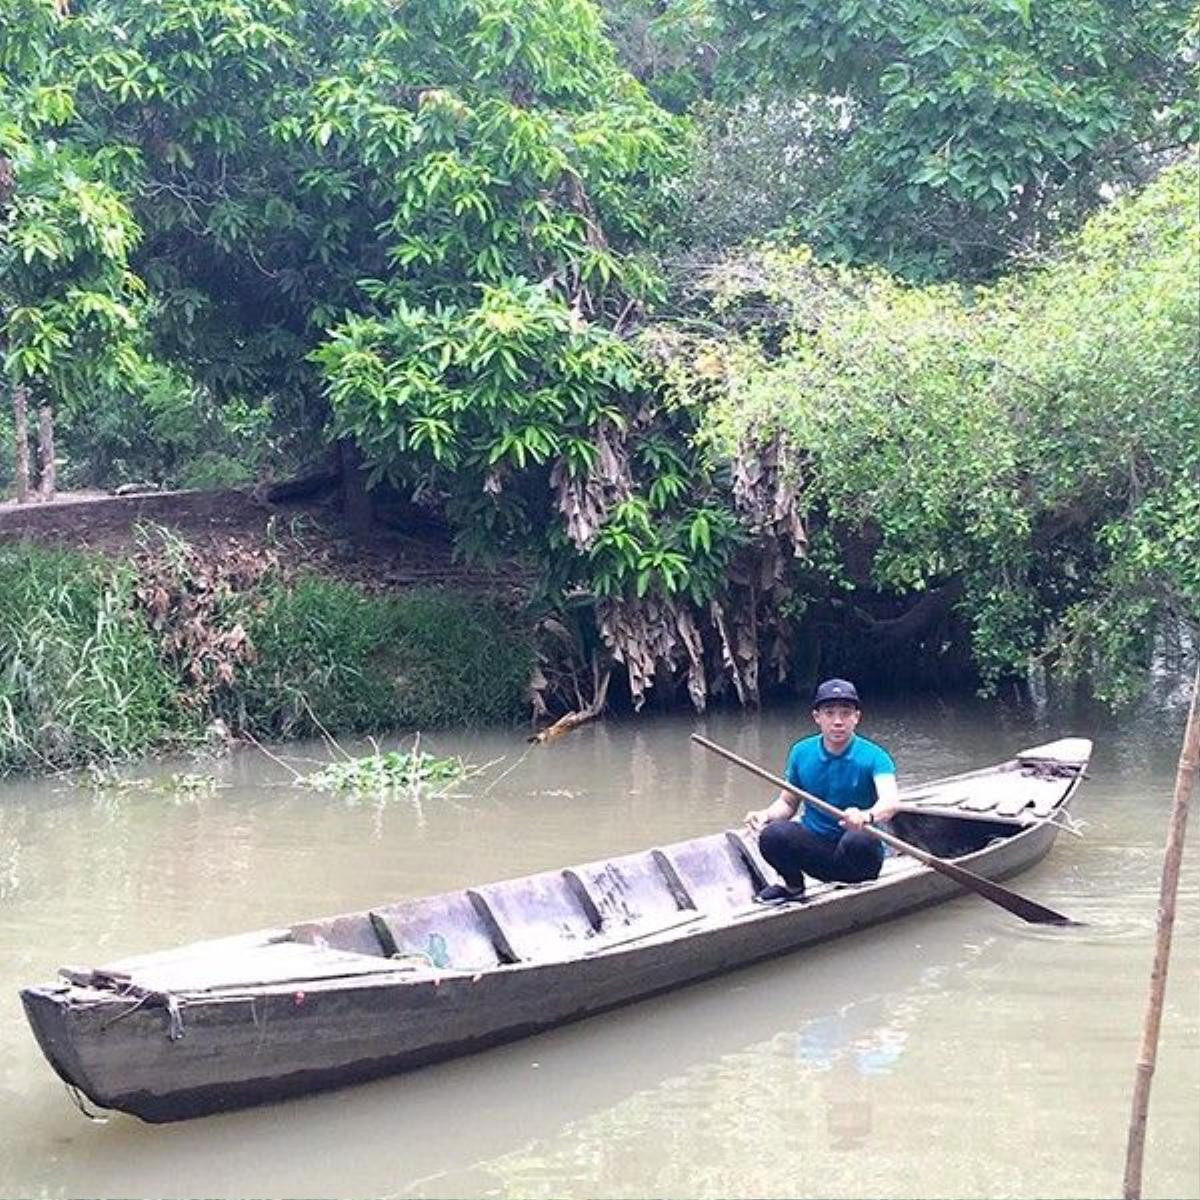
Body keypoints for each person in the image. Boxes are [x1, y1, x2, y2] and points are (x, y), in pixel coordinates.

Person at [744, 678, 900, 905]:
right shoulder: (801, 752)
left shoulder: (875, 756)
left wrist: (866, 816)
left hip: (860, 859)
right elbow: (788, 804)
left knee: (859, 839)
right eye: (829, 713)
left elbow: (891, 801)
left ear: (857, 717)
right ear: (817, 717)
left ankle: (861, 894)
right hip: (818, 854)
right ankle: (793, 887)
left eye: (845, 713)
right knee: (773, 834)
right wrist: (764, 815)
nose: (838, 721)